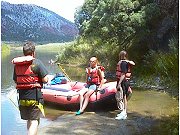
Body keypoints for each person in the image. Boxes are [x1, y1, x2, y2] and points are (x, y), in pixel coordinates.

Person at [12, 41, 49, 135]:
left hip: (22, 98)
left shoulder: (17, 65)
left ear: (24, 53)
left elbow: (16, 80)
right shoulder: (36, 62)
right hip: (34, 97)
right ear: (33, 52)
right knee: (34, 121)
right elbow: (45, 80)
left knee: (29, 119)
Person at [115, 50, 135, 120]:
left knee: (123, 97)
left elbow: (123, 74)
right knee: (122, 96)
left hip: (123, 81)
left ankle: (124, 113)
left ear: (121, 56)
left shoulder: (123, 63)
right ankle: (123, 111)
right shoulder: (126, 62)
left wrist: (119, 83)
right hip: (124, 81)